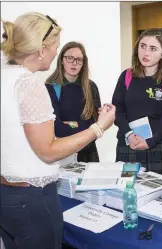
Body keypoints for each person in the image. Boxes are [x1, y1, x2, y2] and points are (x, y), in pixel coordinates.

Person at [0, 12, 115, 249]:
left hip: (6, 195)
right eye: (55, 47)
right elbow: (48, 151)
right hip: (32, 198)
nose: (55, 53)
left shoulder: (4, 76)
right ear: (41, 49)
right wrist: (99, 127)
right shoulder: (29, 83)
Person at [112, 28, 162, 177]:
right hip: (129, 144)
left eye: (153, 48)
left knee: (161, 195)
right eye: (142, 46)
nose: (146, 53)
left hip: (157, 147)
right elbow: (117, 110)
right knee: (127, 190)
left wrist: (151, 141)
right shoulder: (127, 76)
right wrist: (129, 135)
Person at [46, 41, 101, 163]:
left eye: (79, 60)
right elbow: (56, 127)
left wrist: (69, 124)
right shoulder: (51, 87)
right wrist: (81, 125)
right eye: (70, 58)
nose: (74, 63)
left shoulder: (91, 87)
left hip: (88, 153)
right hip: (62, 153)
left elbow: (95, 125)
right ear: (61, 60)